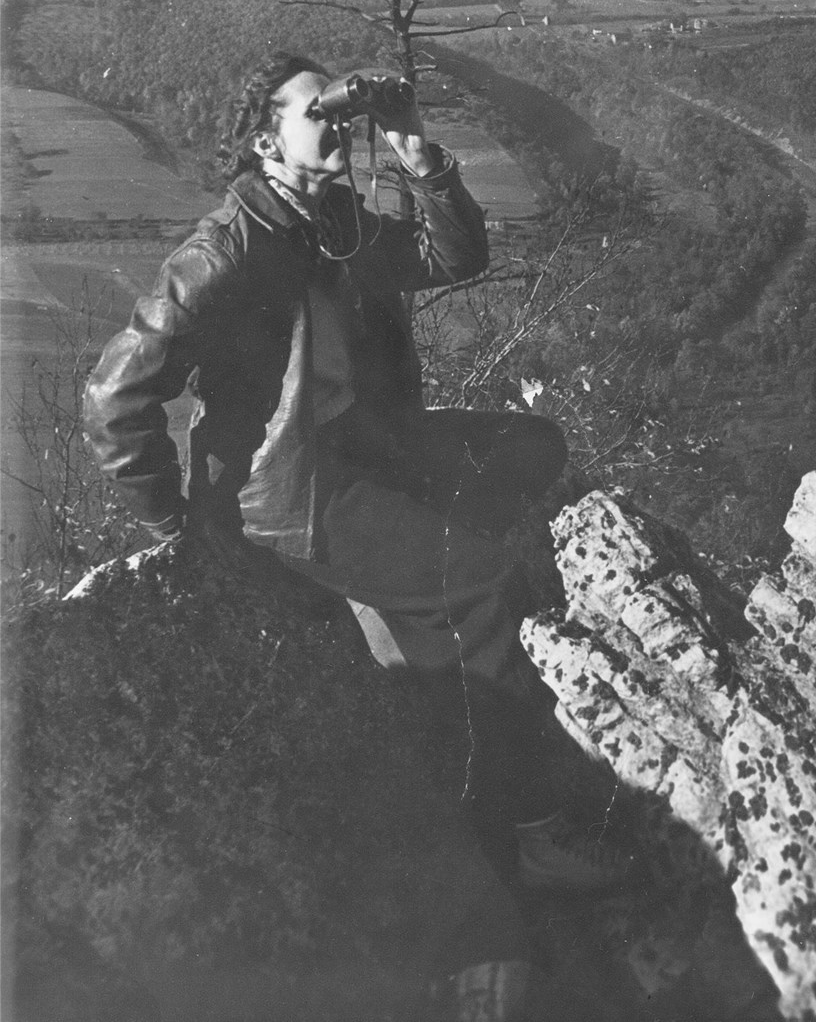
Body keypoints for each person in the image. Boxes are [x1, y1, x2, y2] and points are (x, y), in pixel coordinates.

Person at [83, 51, 630, 891]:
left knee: (533, 446)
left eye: (339, 109)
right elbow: (113, 401)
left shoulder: (331, 216)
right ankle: (522, 832)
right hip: (290, 495)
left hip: (366, 445)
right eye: (316, 113)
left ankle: (401, 605)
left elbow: (456, 258)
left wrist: (417, 151)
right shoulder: (226, 249)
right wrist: (180, 533)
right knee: (481, 582)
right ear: (265, 144)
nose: (338, 124)